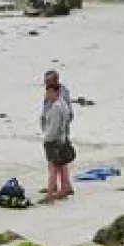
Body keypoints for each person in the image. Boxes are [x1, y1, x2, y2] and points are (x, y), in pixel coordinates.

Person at [41, 70, 75, 201]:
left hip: (56, 135)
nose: (46, 83)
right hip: (54, 132)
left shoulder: (62, 94)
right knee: (59, 162)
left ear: (55, 80)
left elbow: (66, 114)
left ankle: (60, 189)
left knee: (57, 163)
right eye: (45, 81)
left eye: (48, 80)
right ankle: (59, 187)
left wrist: (59, 134)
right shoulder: (51, 94)